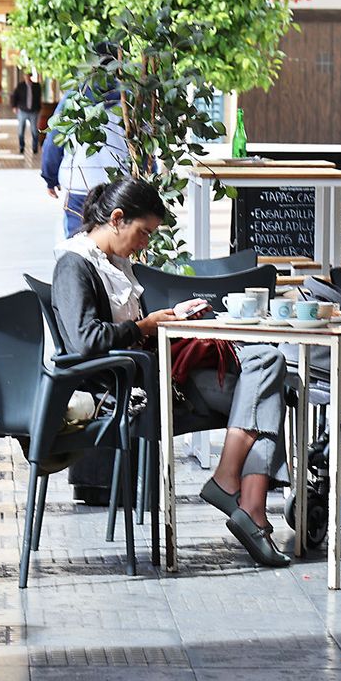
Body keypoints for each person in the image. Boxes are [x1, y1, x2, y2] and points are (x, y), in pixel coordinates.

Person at [50, 178, 292, 569]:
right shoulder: (75, 264)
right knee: (268, 391)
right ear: (116, 219)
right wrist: (145, 327)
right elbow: (85, 340)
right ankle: (247, 504)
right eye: (143, 232)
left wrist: (171, 320)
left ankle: (236, 489)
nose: (145, 243)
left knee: (266, 364)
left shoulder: (117, 264)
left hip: (161, 374)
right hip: (133, 389)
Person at [40, 78, 127, 235]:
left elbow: (54, 140)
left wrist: (50, 177)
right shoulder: (129, 99)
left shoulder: (73, 98)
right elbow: (143, 150)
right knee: (118, 247)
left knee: (77, 247)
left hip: (80, 186)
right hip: (119, 188)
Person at [9, 70, 43, 156]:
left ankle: (35, 148)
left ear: (30, 77)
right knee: (21, 130)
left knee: (34, 131)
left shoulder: (36, 86)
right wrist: (14, 106)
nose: (27, 78)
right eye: (26, 76)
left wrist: (39, 109)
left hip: (33, 111)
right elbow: (14, 96)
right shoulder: (20, 86)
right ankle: (21, 147)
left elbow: (39, 98)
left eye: (28, 76)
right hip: (22, 111)